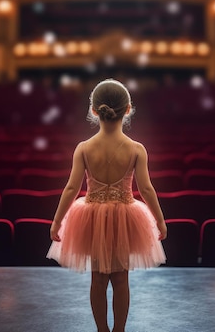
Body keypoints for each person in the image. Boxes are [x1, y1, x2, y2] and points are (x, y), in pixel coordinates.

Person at [47, 78, 167, 332]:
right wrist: (159, 220)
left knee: (98, 279)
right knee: (121, 279)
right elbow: (146, 189)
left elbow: (71, 188)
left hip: (91, 215)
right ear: (128, 109)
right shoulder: (136, 149)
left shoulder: (84, 148)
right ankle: (119, 330)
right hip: (126, 215)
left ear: (93, 110)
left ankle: (102, 329)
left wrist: (57, 221)